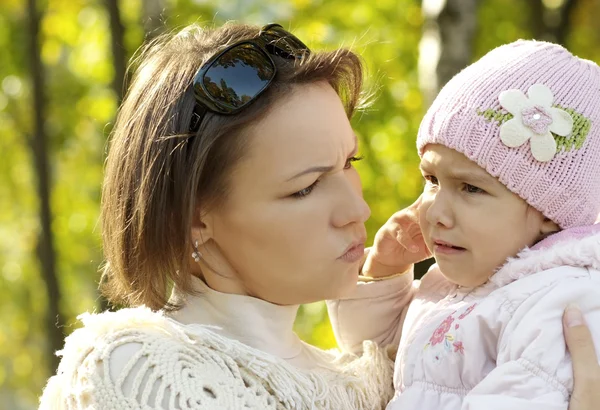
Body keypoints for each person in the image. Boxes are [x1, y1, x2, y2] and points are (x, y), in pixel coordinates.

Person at [37, 23, 600, 409]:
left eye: (348, 163)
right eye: (306, 188)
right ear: (194, 219)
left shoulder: (367, 381)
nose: (358, 208)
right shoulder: (136, 369)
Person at [328, 40, 600, 410]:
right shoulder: (455, 284)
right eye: (432, 180)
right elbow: (378, 361)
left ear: (549, 212)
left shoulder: (559, 303)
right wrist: (384, 274)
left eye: (471, 187)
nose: (435, 210)